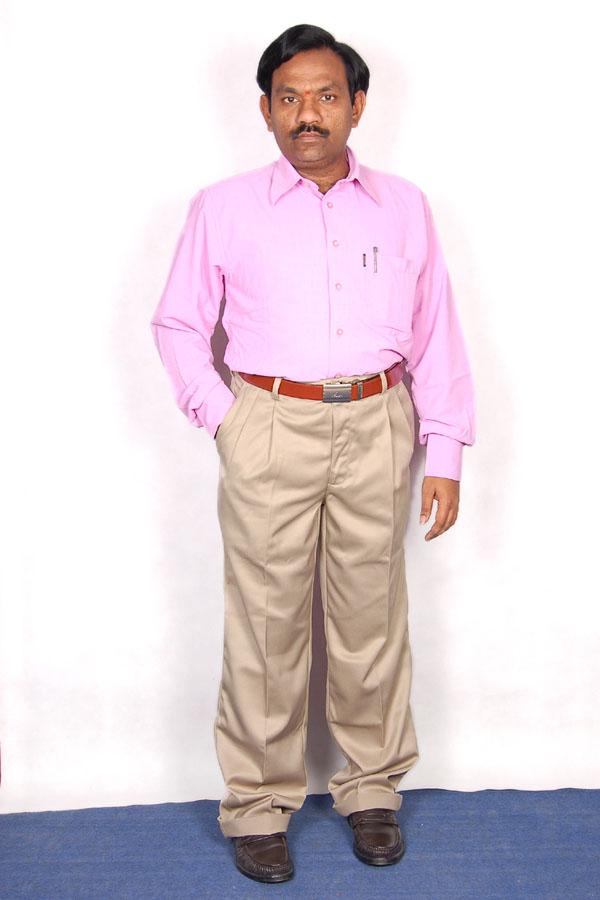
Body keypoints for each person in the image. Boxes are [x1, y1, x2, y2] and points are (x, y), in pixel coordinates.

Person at [150, 23, 475, 884]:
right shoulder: (223, 208)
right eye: (289, 98)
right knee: (267, 622)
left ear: (357, 105)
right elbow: (178, 322)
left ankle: (372, 791)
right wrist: (227, 417)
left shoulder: (403, 206)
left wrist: (444, 447)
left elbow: (435, 329)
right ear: (264, 110)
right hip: (268, 421)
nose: (308, 115)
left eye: (326, 96)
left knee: (372, 615)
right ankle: (259, 805)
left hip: (378, 420)